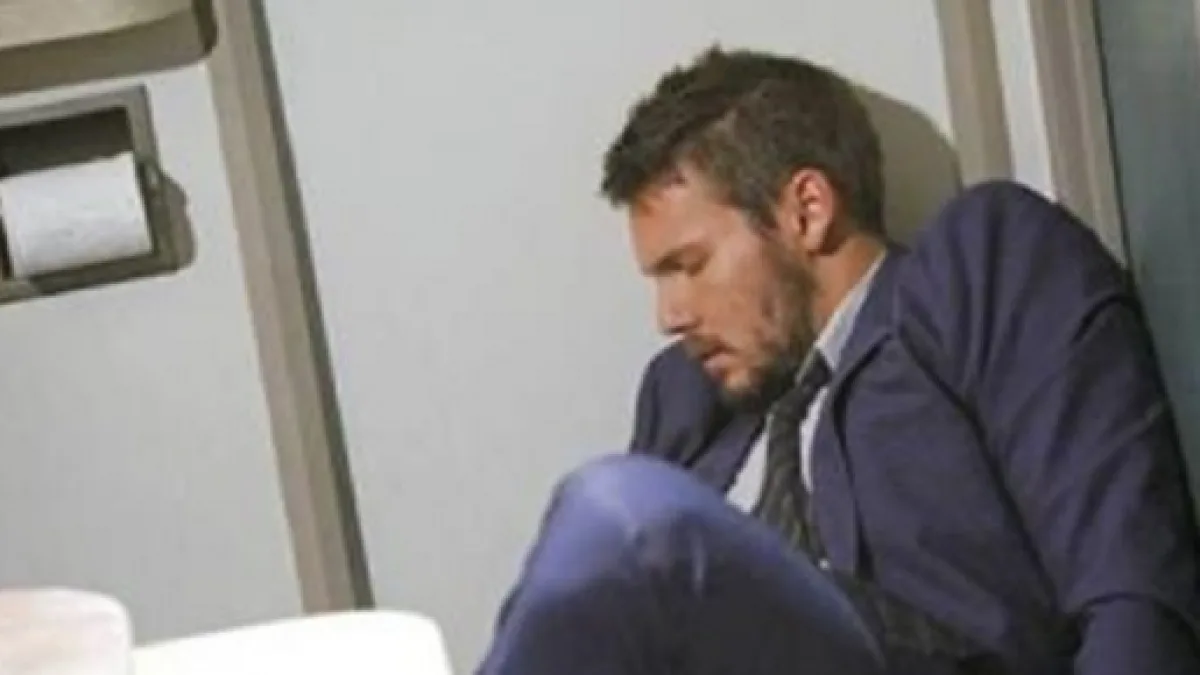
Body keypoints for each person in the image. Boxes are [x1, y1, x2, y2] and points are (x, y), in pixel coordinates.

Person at [476, 47, 1200, 675]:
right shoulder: (687, 398)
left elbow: (1132, 595)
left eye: (689, 265)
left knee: (618, 513)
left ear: (808, 208)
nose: (670, 315)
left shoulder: (969, 272)